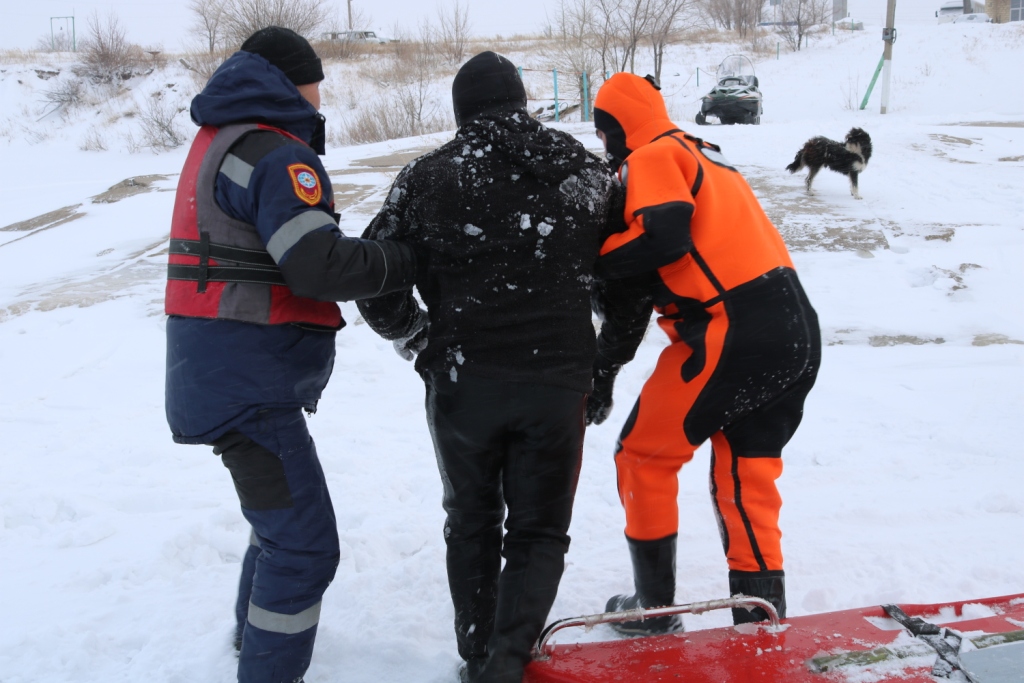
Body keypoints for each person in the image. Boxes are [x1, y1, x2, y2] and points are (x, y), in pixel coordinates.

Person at [355, 52, 624, 683]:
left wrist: (418, 337)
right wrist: (598, 357)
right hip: (557, 382)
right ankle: (509, 661)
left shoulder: (427, 178)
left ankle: (480, 657)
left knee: (471, 520)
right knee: (538, 531)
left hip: (462, 381)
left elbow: (373, 277)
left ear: (461, 111)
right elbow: (622, 274)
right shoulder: (585, 171)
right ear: (523, 100)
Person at [163, 27, 417, 683]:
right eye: (315, 83)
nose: (319, 96)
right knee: (304, 547)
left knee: (280, 528)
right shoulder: (274, 153)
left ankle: (254, 646)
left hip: (221, 375)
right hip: (249, 386)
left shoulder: (222, 138)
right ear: (289, 83)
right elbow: (317, 263)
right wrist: (405, 259)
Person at [588, 73, 822, 633]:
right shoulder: (712, 160)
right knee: (747, 475)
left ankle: (654, 613)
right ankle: (759, 619)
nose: (606, 148)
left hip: (731, 326)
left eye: (604, 136)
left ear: (615, 128)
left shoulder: (653, 155)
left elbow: (664, 238)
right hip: (794, 327)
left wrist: (589, 260)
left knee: (641, 456)